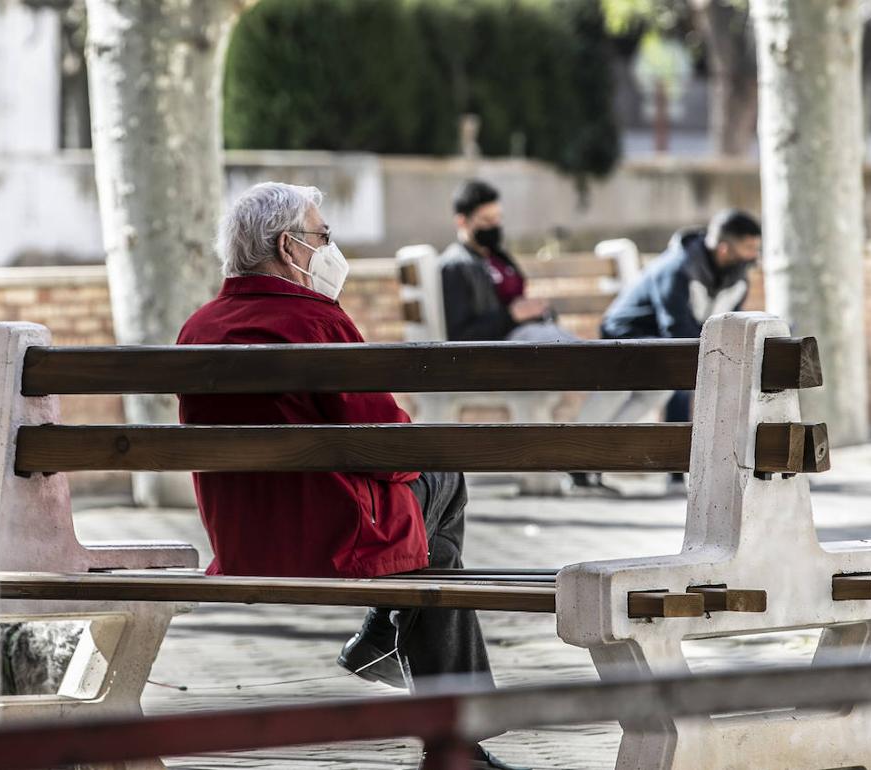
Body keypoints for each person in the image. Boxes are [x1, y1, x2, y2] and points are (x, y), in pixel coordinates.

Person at [177, 182, 527, 770]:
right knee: (442, 481)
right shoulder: (315, 321)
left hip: (242, 541)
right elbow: (388, 448)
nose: (331, 247)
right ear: (290, 247)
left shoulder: (198, 328)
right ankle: (400, 655)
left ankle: (394, 645)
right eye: (324, 236)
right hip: (336, 538)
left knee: (433, 550)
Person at [570, 209, 762, 492]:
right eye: (748, 248)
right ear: (724, 248)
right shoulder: (678, 268)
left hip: (666, 346)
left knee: (659, 390)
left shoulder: (737, 279)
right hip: (626, 337)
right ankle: (574, 458)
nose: (754, 256)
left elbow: (724, 324)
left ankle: (594, 459)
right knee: (623, 388)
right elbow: (677, 330)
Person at [440, 179, 574, 343]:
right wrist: (512, 316)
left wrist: (538, 309)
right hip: (501, 347)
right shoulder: (455, 266)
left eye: (498, 218)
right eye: (487, 220)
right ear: (462, 221)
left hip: (531, 334)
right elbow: (460, 334)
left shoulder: (498, 256)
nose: (495, 226)